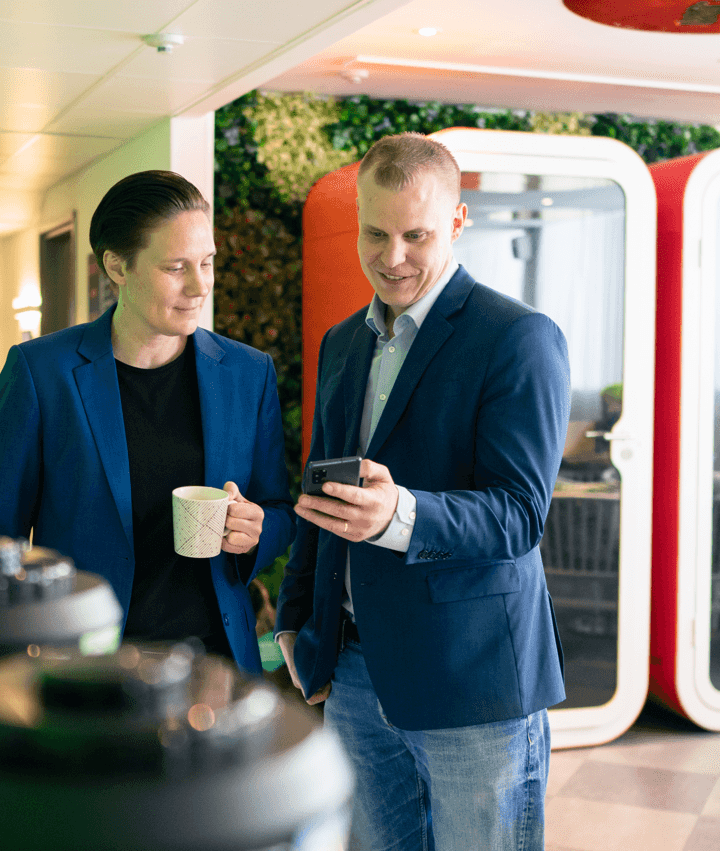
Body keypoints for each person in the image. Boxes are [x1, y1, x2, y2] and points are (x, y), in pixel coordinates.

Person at [275, 133, 569, 850]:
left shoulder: (518, 337)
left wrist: (399, 513)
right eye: (374, 233)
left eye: (416, 234)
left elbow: (518, 514)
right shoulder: (342, 342)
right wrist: (295, 627)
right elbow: (323, 489)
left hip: (472, 680)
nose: (392, 255)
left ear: (459, 223)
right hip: (351, 671)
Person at [0, 169, 294, 675]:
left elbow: (277, 508)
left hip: (216, 661)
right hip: (85, 663)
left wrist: (257, 530)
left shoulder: (247, 373)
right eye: (176, 267)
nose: (199, 286)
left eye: (208, 263)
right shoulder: (41, 373)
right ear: (117, 267)